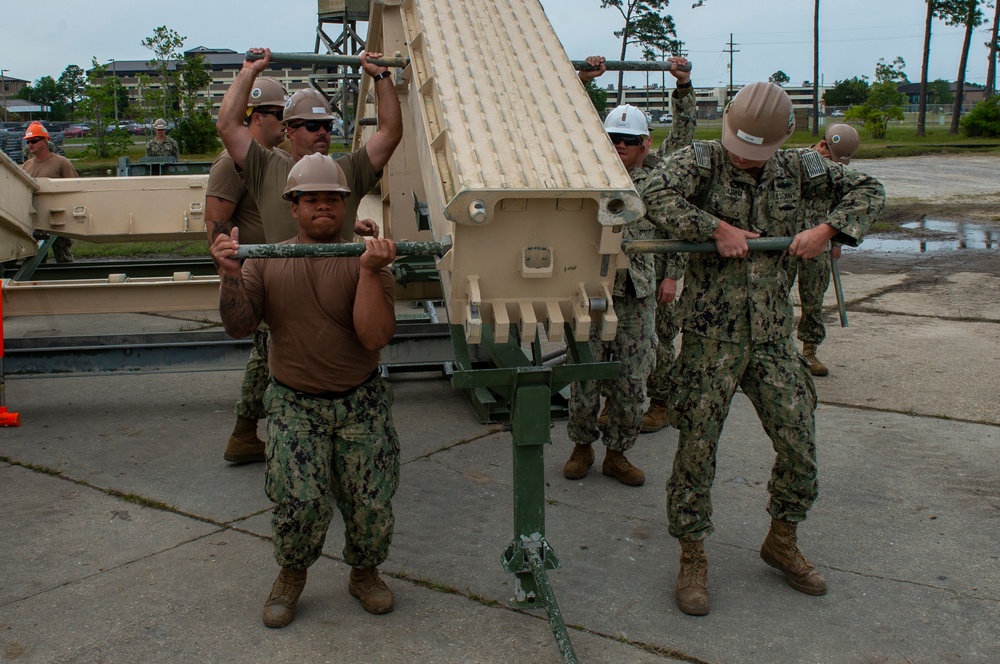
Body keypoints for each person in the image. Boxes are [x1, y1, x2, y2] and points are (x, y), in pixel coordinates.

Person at [646, 82, 884, 615]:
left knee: (800, 443)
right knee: (695, 452)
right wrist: (715, 227)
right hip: (711, 338)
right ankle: (692, 555)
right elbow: (651, 195)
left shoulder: (801, 168)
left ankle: (781, 540)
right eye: (738, 145)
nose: (741, 158)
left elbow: (869, 189)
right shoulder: (701, 161)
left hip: (774, 337)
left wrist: (827, 229)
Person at [210, 153, 401, 627]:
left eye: (332, 199)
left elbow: (374, 337)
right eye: (310, 199)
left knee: (371, 502)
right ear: (292, 207)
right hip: (296, 405)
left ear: (345, 203)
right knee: (300, 503)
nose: (322, 207)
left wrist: (372, 273)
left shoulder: (368, 260)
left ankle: (364, 572)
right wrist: (231, 275)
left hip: (361, 403)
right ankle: (292, 574)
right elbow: (239, 326)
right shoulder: (267, 261)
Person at [562, 55, 695, 487]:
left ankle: (617, 453)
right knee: (584, 373)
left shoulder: (657, 179)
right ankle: (582, 445)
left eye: (628, 140)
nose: (619, 145)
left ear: (645, 145)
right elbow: (568, 124)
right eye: (613, 137)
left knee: (633, 380)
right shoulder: (588, 173)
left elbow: (675, 220)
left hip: (638, 294)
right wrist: (581, 81)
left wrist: (684, 87)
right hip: (589, 289)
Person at [216, 47, 400, 245]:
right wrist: (248, 72)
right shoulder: (266, 168)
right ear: (291, 131)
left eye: (327, 125)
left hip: (338, 275)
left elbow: (390, 133)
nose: (322, 132)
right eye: (312, 125)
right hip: (284, 276)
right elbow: (227, 126)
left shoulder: (351, 169)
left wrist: (382, 75)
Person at [205, 76, 290, 464]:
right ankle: (257, 433)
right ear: (256, 116)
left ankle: (244, 434)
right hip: (256, 276)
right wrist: (233, 282)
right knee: (269, 354)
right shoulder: (231, 164)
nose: (285, 123)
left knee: (264, 355)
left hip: (274, 272)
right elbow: (216, 227)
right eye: (279, 115)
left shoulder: (274, 158)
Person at [794, 123, 861, 376]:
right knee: (775, 298)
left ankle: (809, 351)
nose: (835, 165)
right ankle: (778, 352)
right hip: (785, 243)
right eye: (832, 158)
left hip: (818, 245)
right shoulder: (794, 161)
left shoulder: (837, 172)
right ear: (822, 145)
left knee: (813, 300)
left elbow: (839, 206)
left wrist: (836, 242)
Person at [21, 121, 76, 263]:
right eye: (28, 142)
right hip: (35, 220)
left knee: (63, 257)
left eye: (33, 141)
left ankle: (69, 281)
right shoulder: (26, 165)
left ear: (44, 141)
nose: (30, 145)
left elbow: (74, 188)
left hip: (59, 219)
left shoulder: (61, 163)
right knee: (35, 260)